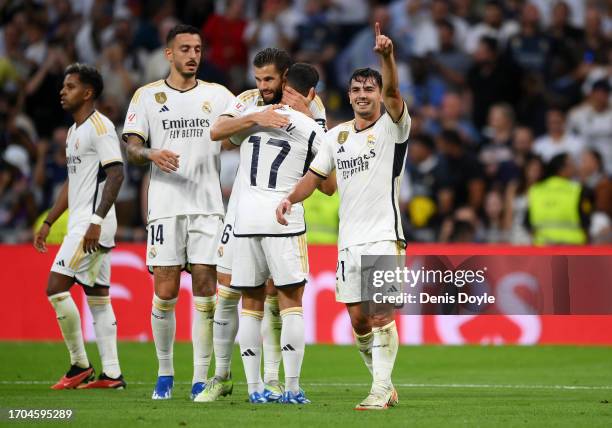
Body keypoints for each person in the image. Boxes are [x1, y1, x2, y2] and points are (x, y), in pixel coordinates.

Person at [277, 23, 411, 410]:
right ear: (349, 96)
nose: (363, 95)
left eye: (369, 89)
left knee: (381, 311)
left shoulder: (393, 128)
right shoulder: (336, 137)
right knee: (359, 321)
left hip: (384, 235)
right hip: (348, 242)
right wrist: (290, 199)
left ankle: (380, 390)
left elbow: (394, 92)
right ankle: (382, 381)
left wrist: (386, 56)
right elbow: (314, 178)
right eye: (356, 90)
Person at [195, 48, 327, 403]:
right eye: (258, 79)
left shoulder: (313, 111)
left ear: (285, 78)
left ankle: (269, 382)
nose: (262, 85)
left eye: (269, 79)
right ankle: (223, 376)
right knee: (232, 293)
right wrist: (259, 118)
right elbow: (219, 131)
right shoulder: (249, 101)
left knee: (264, 296)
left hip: (264, 208)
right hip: (244, 208)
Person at [122, 24, 236, 400]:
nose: (192, 55)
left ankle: (200, 378)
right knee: (166, 290)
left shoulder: (219, 96)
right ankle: (165, 373)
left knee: (206, 288)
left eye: (198, 49)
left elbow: (241, 128)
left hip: (207, 207)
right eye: (185, 48)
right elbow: (132, 149)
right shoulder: (147, 96)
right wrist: (152, 152)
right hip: (166, 207)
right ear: (169, 54)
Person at [33, 63, 126, 389]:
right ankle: (112, 374)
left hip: (92, 224)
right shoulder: (75, 131)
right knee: (98, 296)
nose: (62, 91)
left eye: (70, 86)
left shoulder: (100, 128)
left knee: (56, 288)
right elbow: (72, 185)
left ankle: (78, 365)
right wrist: (48, 221)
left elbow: (116, 174)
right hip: (83, 221)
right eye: (63, 85)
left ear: (87, 93)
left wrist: (96, 222)